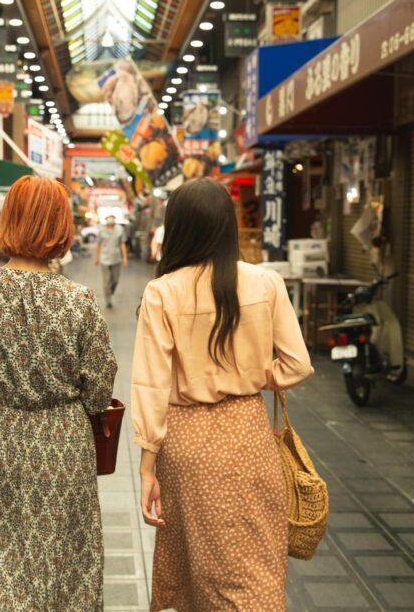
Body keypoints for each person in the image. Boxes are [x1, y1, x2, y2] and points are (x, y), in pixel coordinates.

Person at [131, 178, 314, 612]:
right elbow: (298, 365)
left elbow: (151, 385)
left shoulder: (162, 293)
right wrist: (253, 374)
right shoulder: (266, 283)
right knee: (255, 566)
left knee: (197, 566)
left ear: (178, 229)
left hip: (188, 446)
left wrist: (146, 468)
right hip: (248, 437)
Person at [0, 176, 117, 611]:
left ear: (7, 221)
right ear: (62, 227)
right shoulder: (79, 301)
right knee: (63, 556)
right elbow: (98, 389)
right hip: (63, 442)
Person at [93, 215, 128, 309]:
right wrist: (96, 258)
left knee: (115, 280)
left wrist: (125, 257)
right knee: (106, 281)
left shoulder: (120, 229)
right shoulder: (101, 230)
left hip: (116, 258)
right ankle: (108, 299)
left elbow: (122, 243)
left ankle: (110, 291)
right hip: (104, 259)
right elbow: (98, 244)